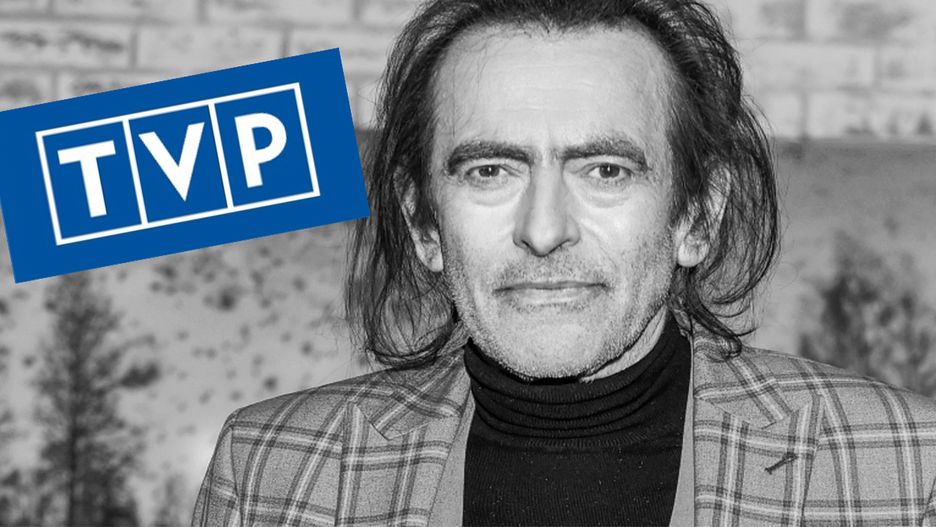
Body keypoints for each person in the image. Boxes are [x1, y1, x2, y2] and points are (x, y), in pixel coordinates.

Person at [193, 0, 936, 525]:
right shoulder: (272, 470)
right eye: (490, 171)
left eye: (606, 170)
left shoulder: (904, 467)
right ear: (423, 222)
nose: (544, 230)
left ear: (697, 216)